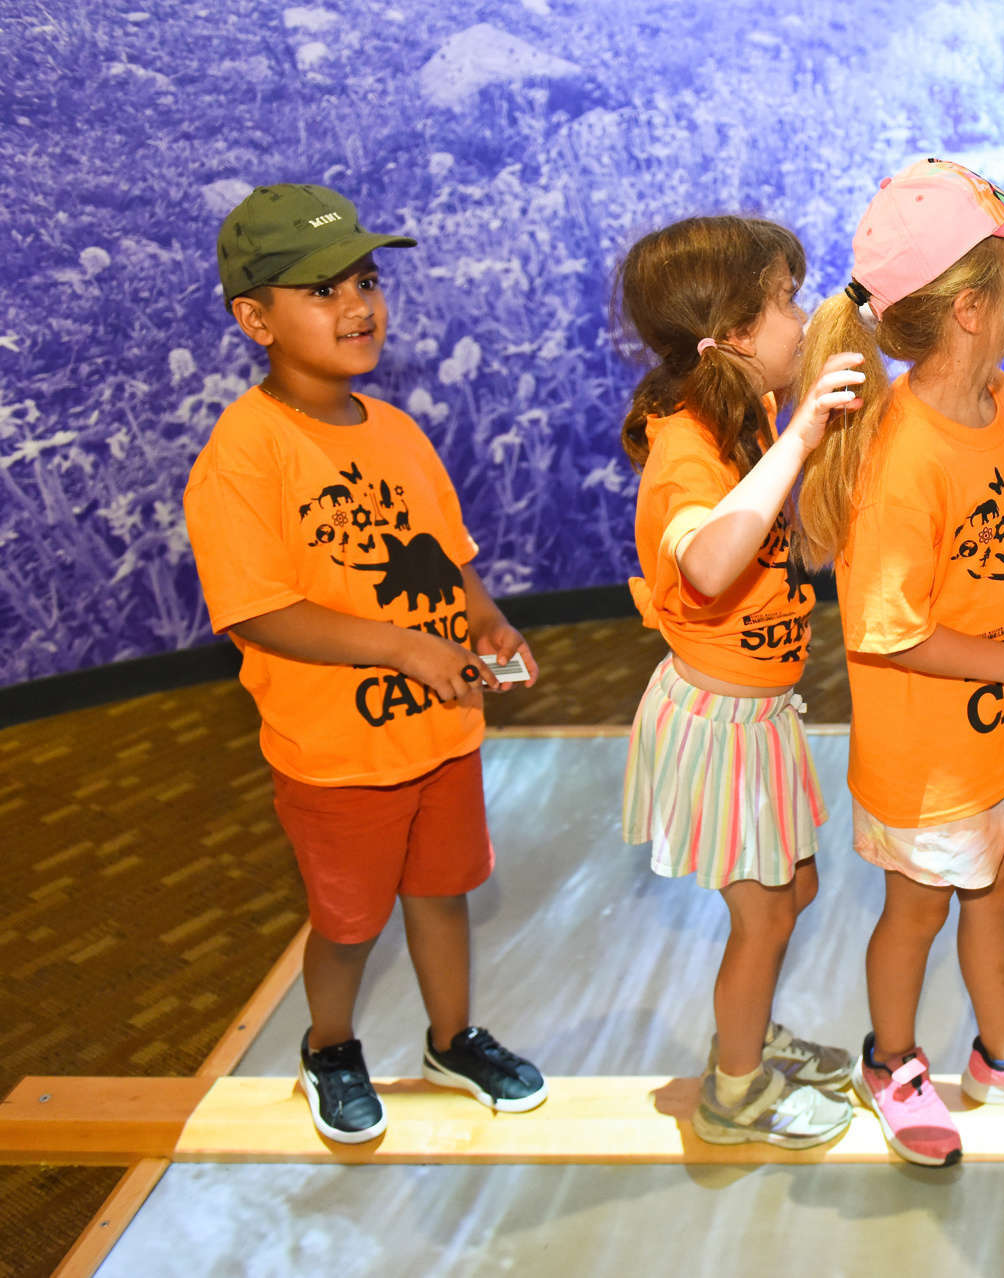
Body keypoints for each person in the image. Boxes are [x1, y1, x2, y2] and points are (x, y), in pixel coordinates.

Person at [184, 184, 546, 1144]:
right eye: (319, 290)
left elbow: (446, 561)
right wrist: (400, 646)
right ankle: (329, 1047)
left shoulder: (394, 430)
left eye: (366, 280)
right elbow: (259, 613)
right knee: (347, 923)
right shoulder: (244, 455)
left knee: (442, 892)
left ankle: (452, 1036)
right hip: (337, 753)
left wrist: (490, 623)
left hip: (442, 728)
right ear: (254, 319)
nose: (357, 307)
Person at [792, 158, 1004, 1166]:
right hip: (928, 754)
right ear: (974, 307)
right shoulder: (901, 450)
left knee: (999, 890)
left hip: (993, 737)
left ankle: (1003, 1055)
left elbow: (981, 553)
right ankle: (891, 1061)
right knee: (918, 909)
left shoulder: (998, 402)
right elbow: (883, 629)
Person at [616, 215, 866, 1148]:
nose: (800, 321)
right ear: (728, 336)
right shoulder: (686, 446)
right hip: (716, 723)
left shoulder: (743, 409)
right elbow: (711, 566)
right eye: (784, 302)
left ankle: (751, 1035)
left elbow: (773, 537)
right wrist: (799, 439)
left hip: (760, 712)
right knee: (762, 918)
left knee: (792, 892)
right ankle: (733, 1093)